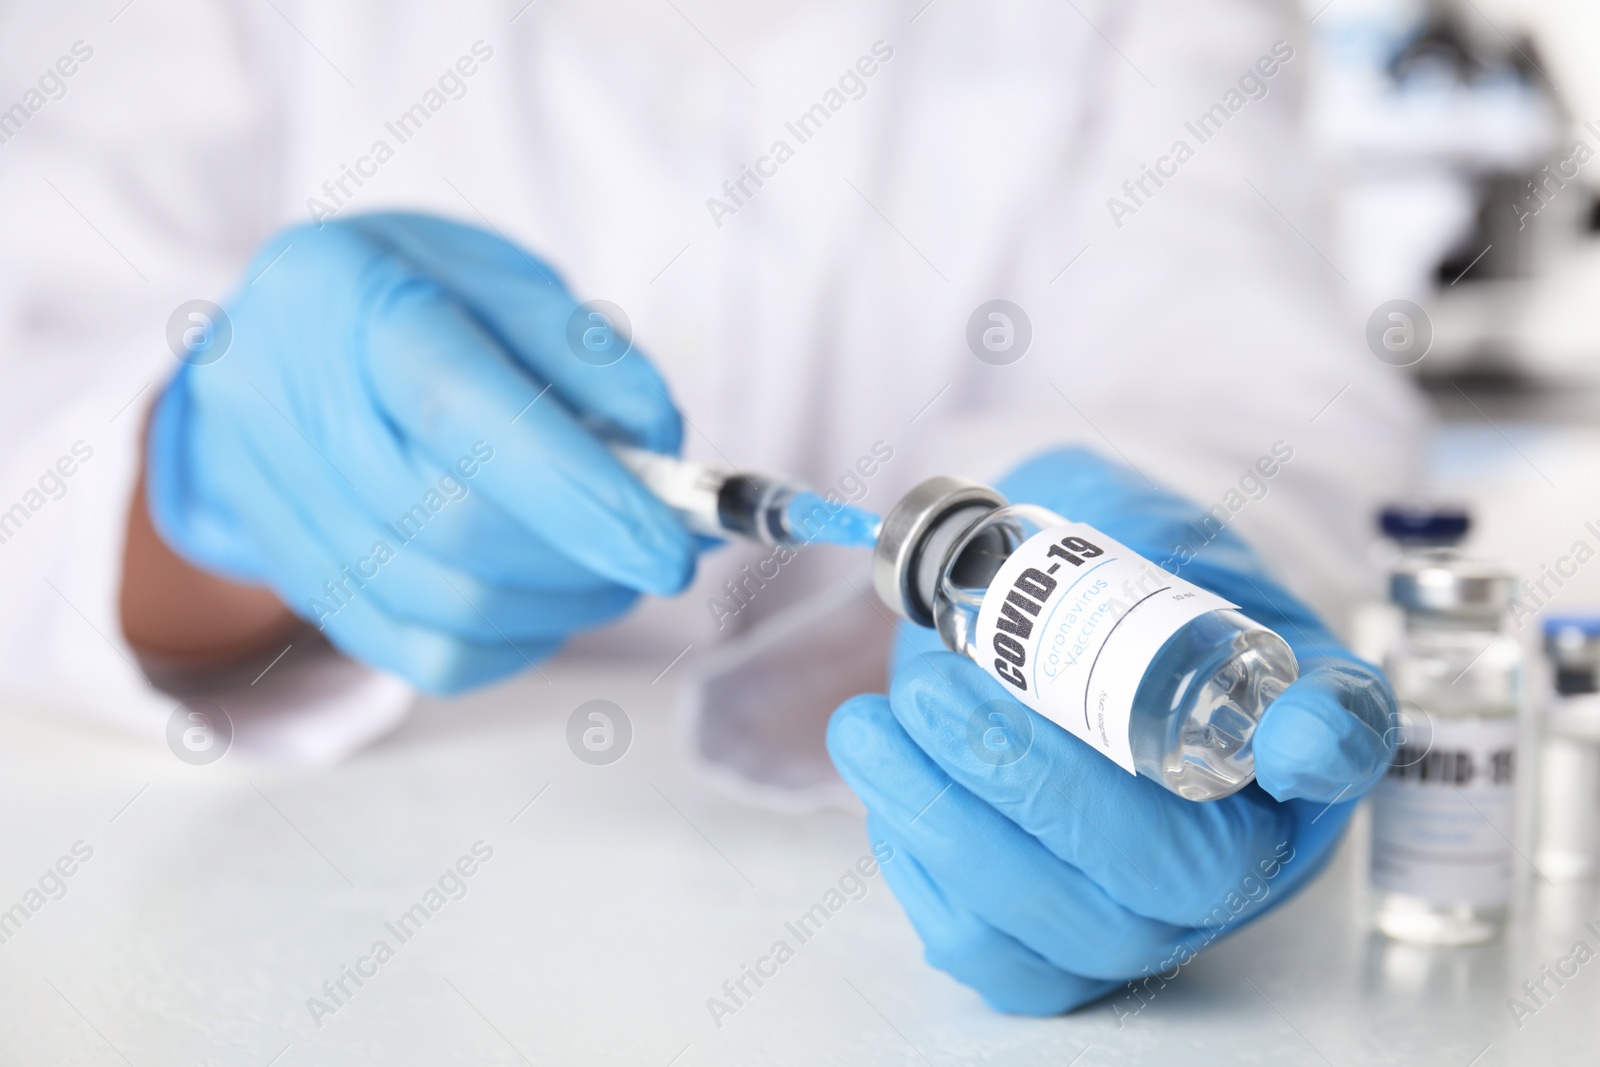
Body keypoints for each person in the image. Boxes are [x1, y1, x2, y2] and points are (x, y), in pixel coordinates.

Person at [0, 0, 1418, 1011]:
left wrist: (1157, 550)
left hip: (852, 901)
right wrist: (209, 487)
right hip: (281, 901)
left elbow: (1257, 399)